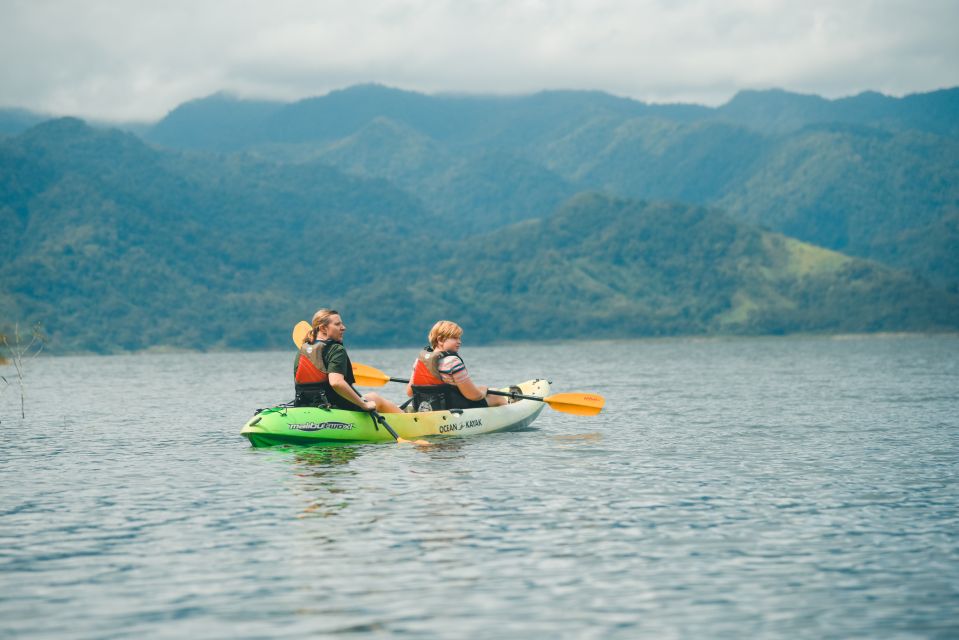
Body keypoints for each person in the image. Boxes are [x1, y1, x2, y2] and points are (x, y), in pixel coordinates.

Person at [294, 309, 402, 414]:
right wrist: (363, 405)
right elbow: (336, 382)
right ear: (323, 328)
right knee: (375, 398)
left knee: (370, 398)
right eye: (337, 324)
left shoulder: (302, 350)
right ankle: (409, 418)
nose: (343, 328)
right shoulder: (336, 349)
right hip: (335, 407)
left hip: (305, 404)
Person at [406, 320, 507, 412]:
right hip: (454, 410)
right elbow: (473, 396)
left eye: (459, 338)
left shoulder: (419, 360)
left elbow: (410, 392)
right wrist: (483, 391)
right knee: (496, 394)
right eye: (455, 338)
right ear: (440, 340)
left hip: (427, 408)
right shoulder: (453, 362)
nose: (459, 342)